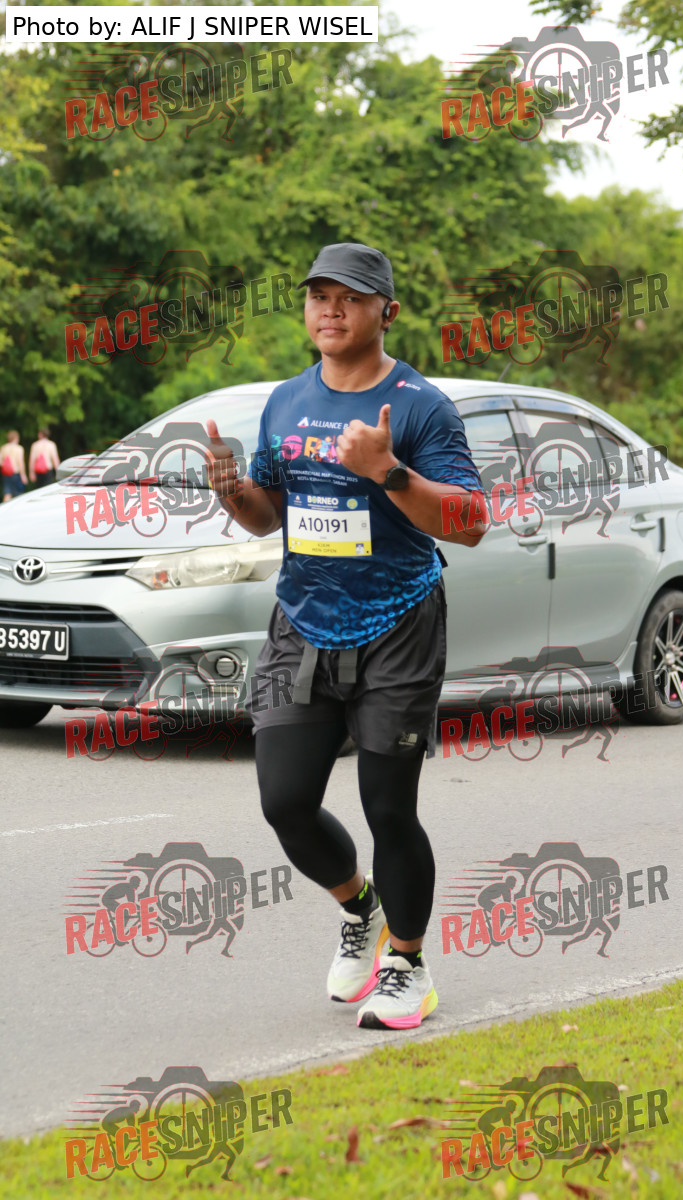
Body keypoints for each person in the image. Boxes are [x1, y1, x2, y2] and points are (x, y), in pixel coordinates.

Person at [205, 242, 487, 1030]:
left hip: (398, 623)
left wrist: (388, 471)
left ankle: (407, 966)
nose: (330, 309)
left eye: (350, 297)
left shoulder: (421, 406)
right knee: (285, 802)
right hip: (302, 624)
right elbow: (270, 515)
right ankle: (361, 907)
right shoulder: (286, 402)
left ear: (386, 311)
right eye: (318, 295)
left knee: (388, 809)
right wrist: (233, 491)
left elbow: (471, 522)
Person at [0, 431, 28, 501]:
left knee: (7, 493)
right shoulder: (19, 448)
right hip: (15, 473)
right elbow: (20, 462)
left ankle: (5, 507)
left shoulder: (3, 448)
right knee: (18, 493)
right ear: (16, 438)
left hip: (5, 473)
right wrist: (23, 475)